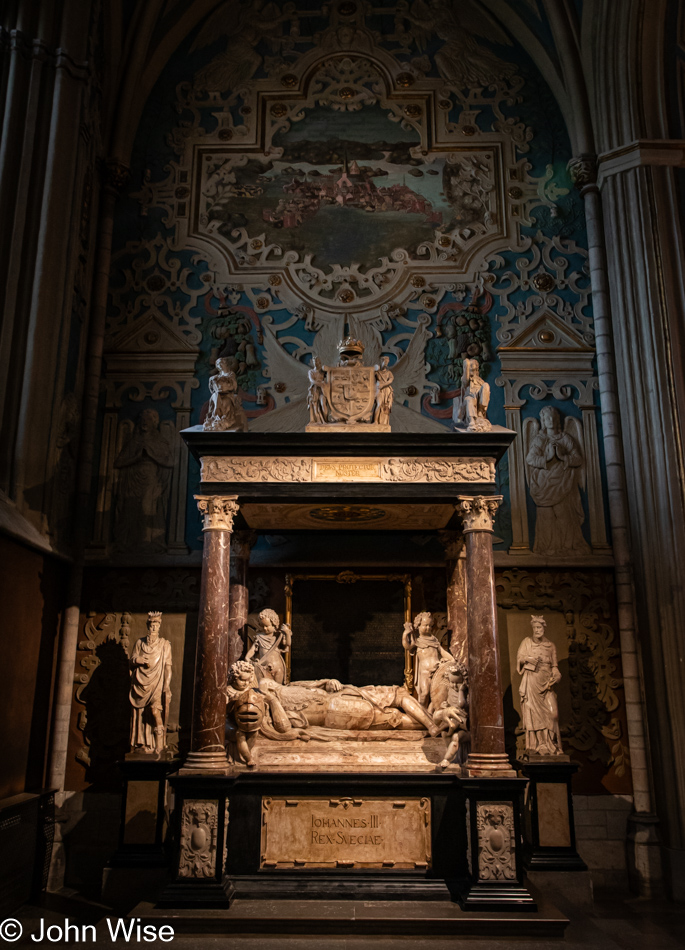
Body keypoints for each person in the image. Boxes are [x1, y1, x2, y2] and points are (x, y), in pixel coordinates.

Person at [525, 406, 590, 556]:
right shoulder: (540, 439)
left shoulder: (565, 438)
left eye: (553, 417)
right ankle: (547, 547)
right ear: (543, 421)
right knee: (546, 517)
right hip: (544, 484)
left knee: (564, 515)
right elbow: (530, 458)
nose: (551, 421)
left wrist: (562, 456)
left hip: (563, 483)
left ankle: (568, 546)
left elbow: (578, 459)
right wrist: (547, 458)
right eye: (547, 418)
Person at [113, 409, 174, 552]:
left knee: (148, 508)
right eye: (143, 420)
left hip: (151, 480)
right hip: (133, 481)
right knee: (132, 508)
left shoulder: (160, 441)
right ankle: (130, 541)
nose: (144, 423)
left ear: (154, 423)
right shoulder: (134, 441)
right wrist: (136, 457)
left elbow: (170, 461)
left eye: (148, 420)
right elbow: (118, 462)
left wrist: (151, 454)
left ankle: (147, 540)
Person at [516, 615, 563, 756]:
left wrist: (557, 676)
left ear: (544, 628)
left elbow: (555, 667)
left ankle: (552, 745)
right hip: (531, 682)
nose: (537, 630)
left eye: (539, 627)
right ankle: (537, 745)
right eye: (535, 627)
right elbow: (520, 659)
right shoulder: (526, 642)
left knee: (553, 714)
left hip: (547, 684)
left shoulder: (551, 646)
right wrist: (529, 659)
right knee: (533, 714)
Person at [129, 611, 172, 754]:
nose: (154, 627)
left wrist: (166, 686)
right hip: (141, 682)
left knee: (155, 711)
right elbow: (132, 660)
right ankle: (143, 744)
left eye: (156, 625)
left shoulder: (164, 644)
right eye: (152, 624)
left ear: (159, 626)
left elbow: (167, 667)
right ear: (148, 625)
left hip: (157, 683)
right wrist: (138, 660)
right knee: (141, 714)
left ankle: (159, 745)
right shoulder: (139, 643)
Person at [402, 611, 453, 708]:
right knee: (424, 694)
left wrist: (452, 660)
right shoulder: (417, 641)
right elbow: (407, 645)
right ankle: (422, 716)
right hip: (425, 673)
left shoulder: (434, 640)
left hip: (437, 671)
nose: (428, 628)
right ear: (418, 626)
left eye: (430, 626)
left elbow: (442, 652)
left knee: (437, 696)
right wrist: (406, 633)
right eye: (425, 625)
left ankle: (432, 715)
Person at [245, 608, 292, 685]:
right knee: (263, 689)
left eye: (267, 626)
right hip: (263, 668)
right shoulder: (259, 637)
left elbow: (288, 644)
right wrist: (247, 658)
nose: (264, 628)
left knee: (278, 688)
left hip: (278, 667)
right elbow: (252, 650)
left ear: (274, 624)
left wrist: (286, 633)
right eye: (262, 626)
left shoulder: (278, 636)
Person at [204, 358, 247, 431]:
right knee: (215, 395)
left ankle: (219, 417)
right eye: (218, 364)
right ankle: (215, 415)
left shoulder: (230, 374)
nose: (219, 365)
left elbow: (233, 386)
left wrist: (222, 379)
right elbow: (212, 389)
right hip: (218, 394)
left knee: (225, 401)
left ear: (225, 364)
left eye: (221, 363)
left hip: (228, 395)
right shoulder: (217, 376)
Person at [452, 357, 491, 431]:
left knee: (486, 385)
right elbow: (465, 379)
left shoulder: (480, 380)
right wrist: (466, 364)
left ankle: (480, 411)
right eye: (470, 365)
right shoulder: (465, 380)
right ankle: (472, 421)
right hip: (469, 400)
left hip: (478, 400)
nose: (472, 367)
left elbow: (484, 392)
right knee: (469, 400)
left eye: (473, 365)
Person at [374, 356, 394, 426]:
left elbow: (390, 380)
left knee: (386, 406)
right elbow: (370, 377)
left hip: (387, 390)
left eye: (387, 362)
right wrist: (375, 369)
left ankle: (384, 422)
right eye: (385, 362)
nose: (386, 364)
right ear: (381, 362)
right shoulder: (377, 372)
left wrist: (383, 384)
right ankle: (375, 421)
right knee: (379, 405)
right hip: (379, 389)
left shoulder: (389, 373)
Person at [307, 356, 327, 424]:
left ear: (319, 362)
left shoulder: (323, 372)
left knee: (323, 405)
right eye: (314, 362)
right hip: (314, 390)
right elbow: (312, 381)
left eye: (317, 362)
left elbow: (329, 379)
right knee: (316, 407)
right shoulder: (311, 372)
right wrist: (320, 383)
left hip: (322, 391)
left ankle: (325, 420)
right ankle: (318, 420)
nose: (315, 363)